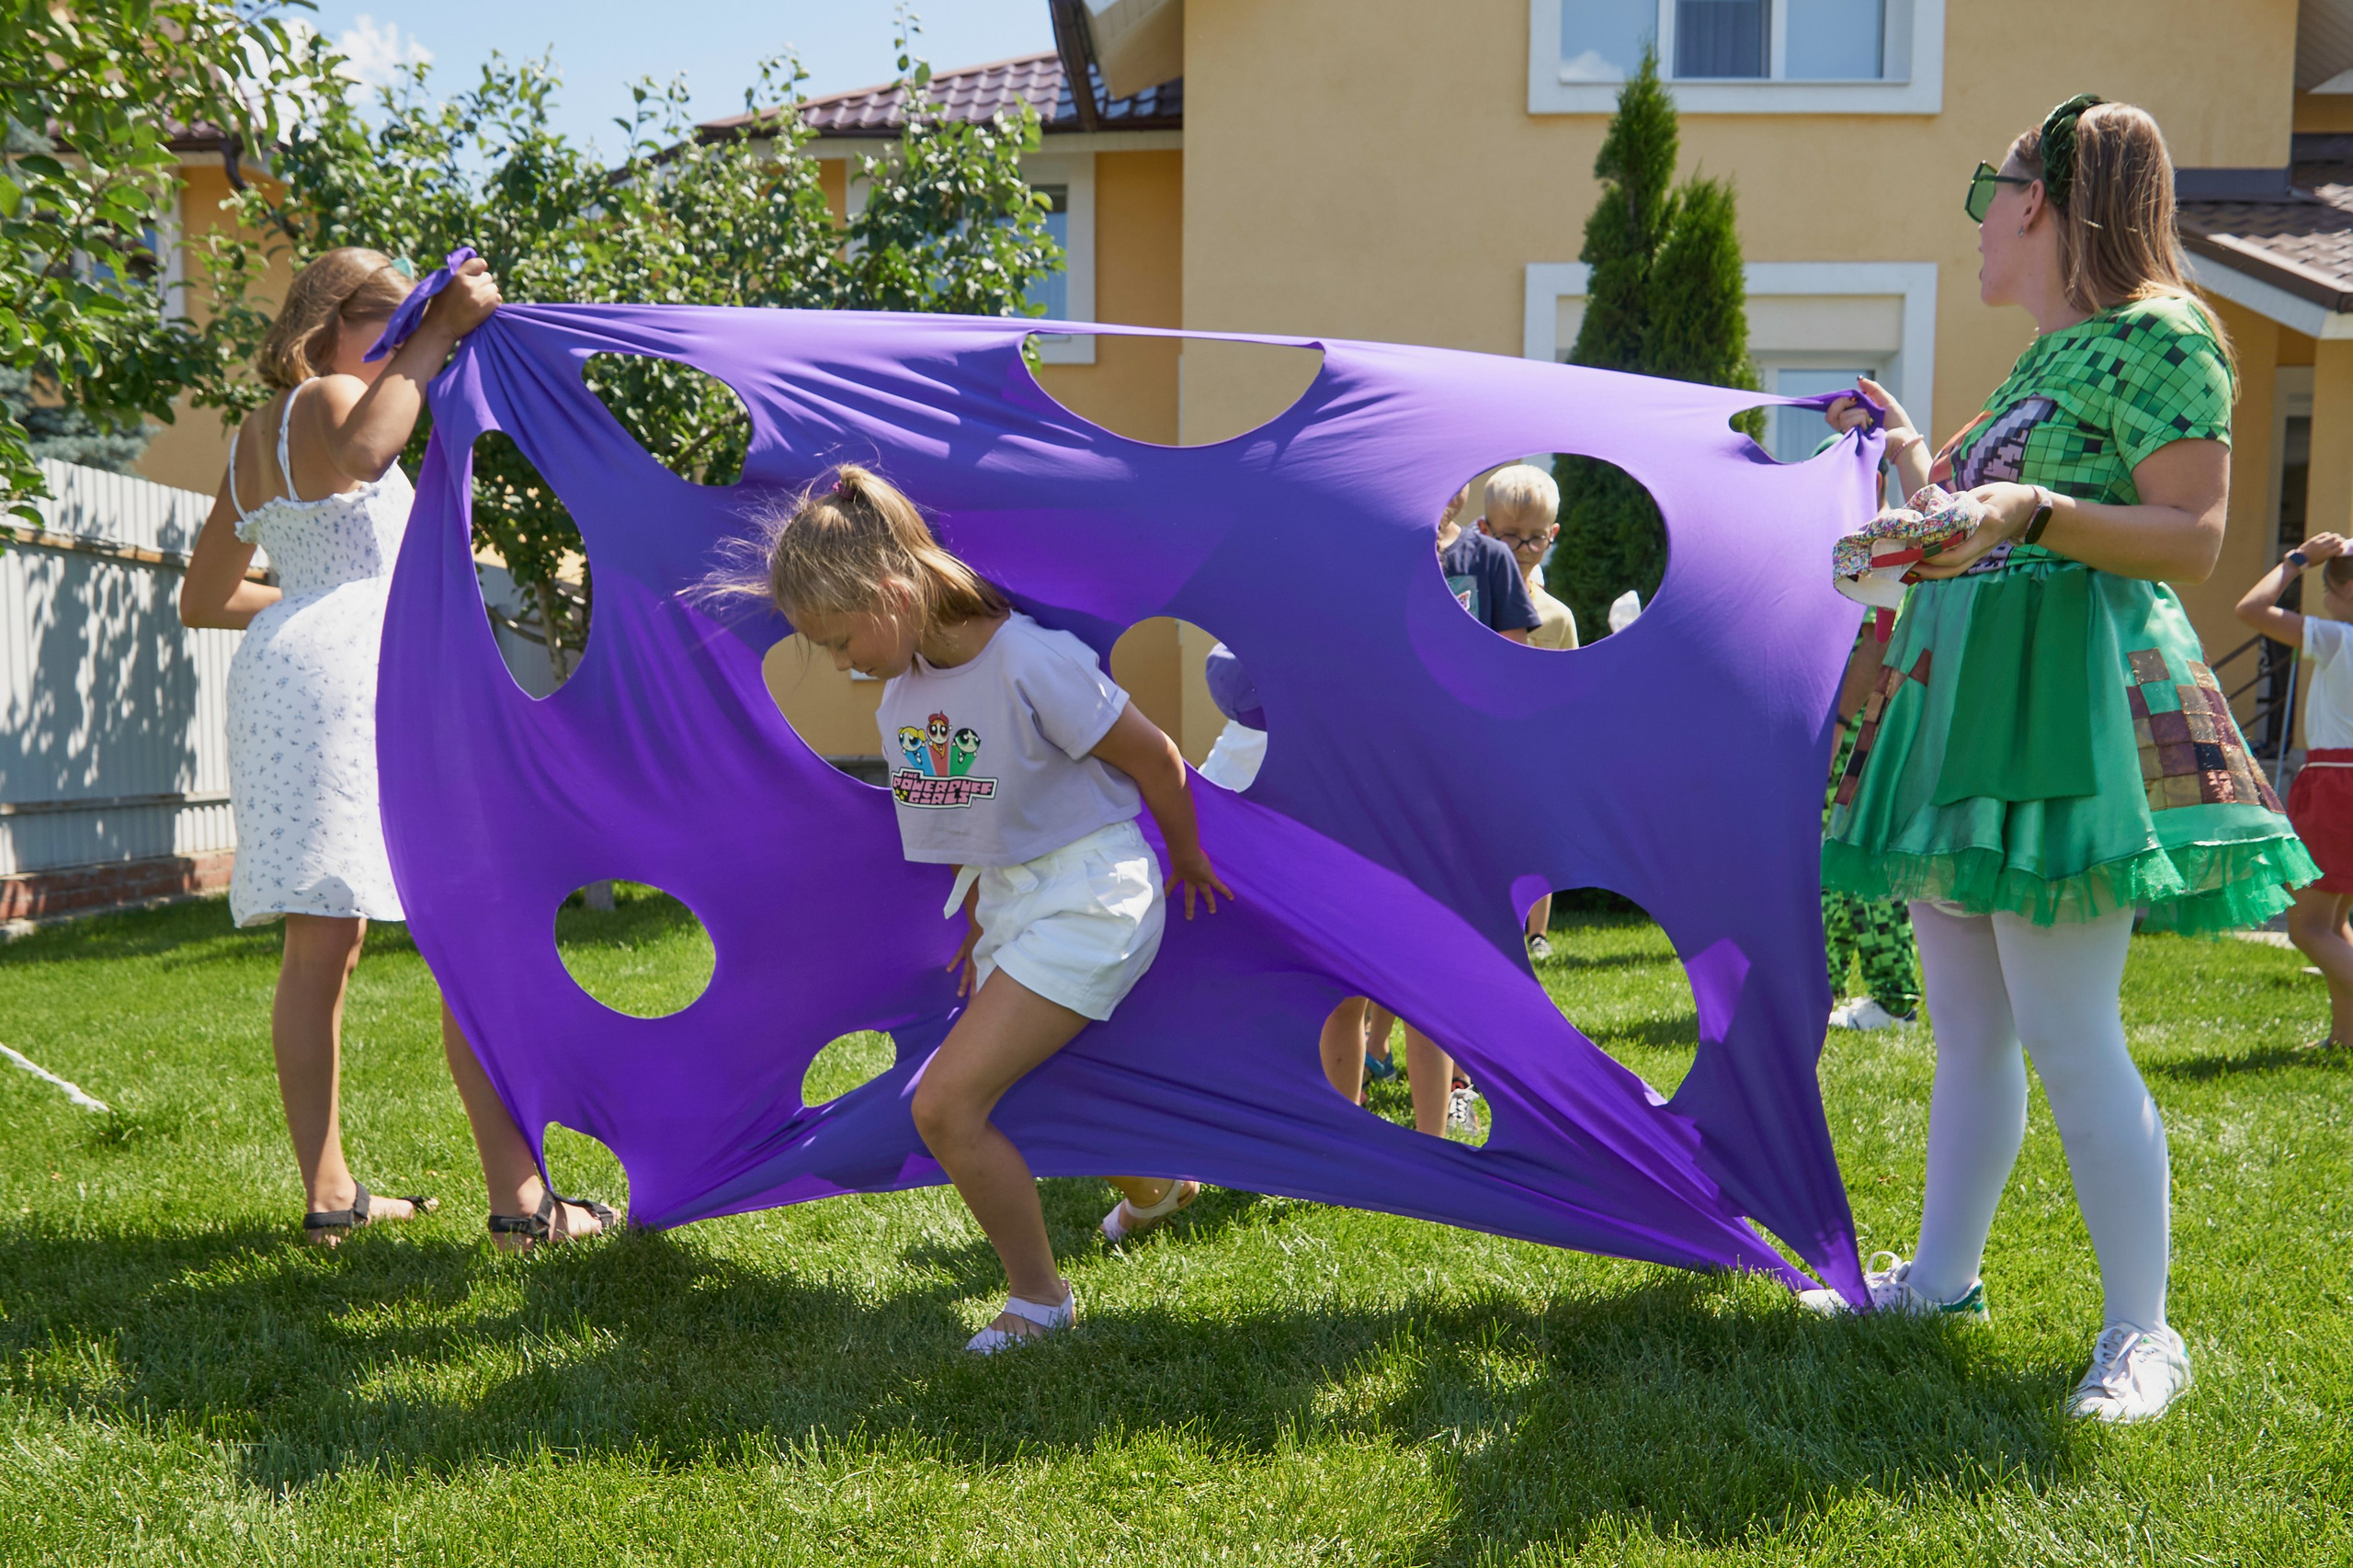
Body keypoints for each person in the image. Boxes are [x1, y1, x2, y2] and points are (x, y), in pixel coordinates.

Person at [1805, 96, 2316, 1425]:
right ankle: (1943, 1279)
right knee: (1971, 1028)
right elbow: (1976, 527)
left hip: (2063, 715)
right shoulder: (2037, 368)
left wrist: (2025, 504)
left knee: (2070, 1031)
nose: (1981, 222)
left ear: (2044, 200)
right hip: (1968, 703)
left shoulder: (2161, 337)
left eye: (1996, 189)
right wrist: (1923, 461)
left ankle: (2146, 1332)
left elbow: (2193, 534)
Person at [180, 247, 617, 1252]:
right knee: (470, 921)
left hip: (291, 669)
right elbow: (373, 456)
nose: (400, 341)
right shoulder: (340, 393)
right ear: (337, 320)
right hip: (365, 681)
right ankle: (523, 1203)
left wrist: (317, 600)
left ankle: (332, 1194)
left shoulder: (254, 434)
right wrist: (435, 338)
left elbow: (204, 600)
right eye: (391, 318)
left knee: (319, 949)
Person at [752, 464, 1231, 1352]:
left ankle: (1040, 1302)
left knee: (944, 1106)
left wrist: (1192, 857)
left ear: (892, 594)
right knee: (1017, 1092)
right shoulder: (903, 700)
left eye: (841, 637)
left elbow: (1156, 756)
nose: (841, 661)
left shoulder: (1029, 660)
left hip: (1092, 896)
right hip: (1016, 906)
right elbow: (969, 832)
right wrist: (980, 932)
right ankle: (1159, 1185)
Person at [2235, 533, 2353, 1051]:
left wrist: (2297, 561)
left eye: (2327, 591)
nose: (2324, 602)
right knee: (2335, 921)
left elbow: (2252, 608)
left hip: (2335, 783)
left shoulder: (2339, 637)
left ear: (2346, 592)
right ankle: (2346, 1039)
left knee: (2307, 928)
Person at [1479, 463, 1574, 958]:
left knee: (1531, 843)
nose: (1523, 551)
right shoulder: (1465, 601)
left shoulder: (1557, 616)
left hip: (1533, 753)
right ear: (1484, 532)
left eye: (1536, 539)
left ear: (1553, 535)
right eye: (1510, 538)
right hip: (1478, 751)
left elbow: (1569, 692)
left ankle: (1533, 932)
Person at [1822, 630, 1920, 1030]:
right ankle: (1818, 989)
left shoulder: (1851, 563)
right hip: (1858, 717)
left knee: (1861, 857)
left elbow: (1878, 632)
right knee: (1832, 863)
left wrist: (1838, 723)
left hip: (1862, 721)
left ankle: (1896, 1002)